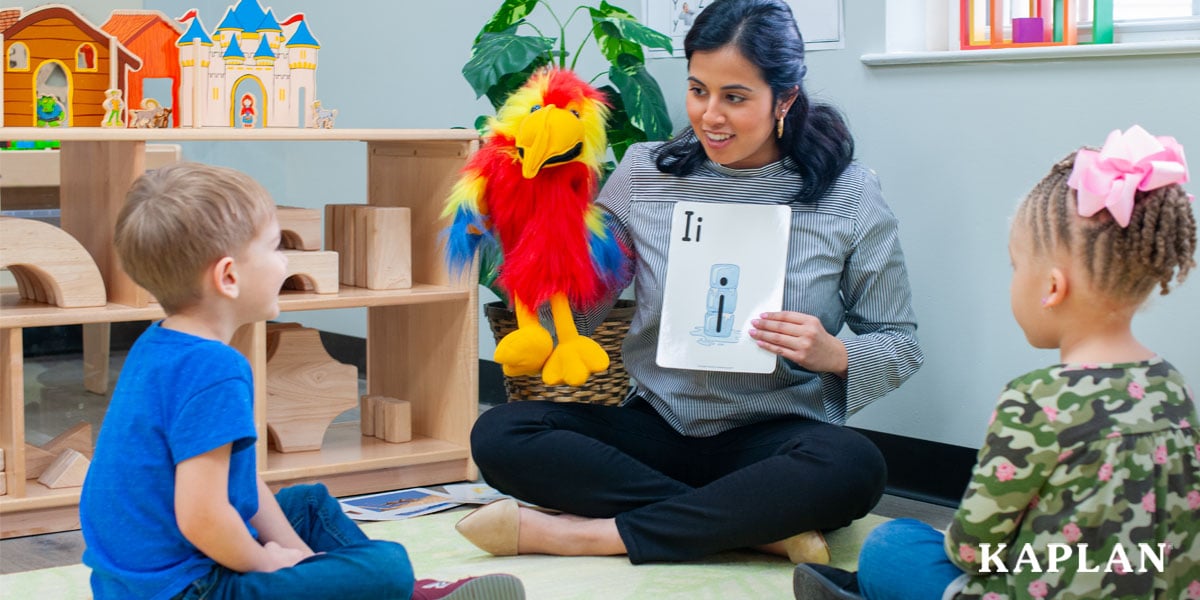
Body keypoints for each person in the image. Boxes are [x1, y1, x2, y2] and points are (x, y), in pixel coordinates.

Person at [458, 0, 923, 565]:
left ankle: (589, 536)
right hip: (656, 428)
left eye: (735, 97)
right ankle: (755, 527)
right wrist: (539, 231)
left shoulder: (849, 195)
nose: (710, 116)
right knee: (501, 434)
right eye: (698, 90)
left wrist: (835, 354)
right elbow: (579, 315)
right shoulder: (644, 175)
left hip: (776, 435)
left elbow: (899, 341)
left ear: (785, 99)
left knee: (855, 467)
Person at [79, 163, 525, 600]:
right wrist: (265, 562)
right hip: (192, 589)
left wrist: (299, 559)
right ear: (229, 277)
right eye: (275, 248)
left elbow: (238, 483)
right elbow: (202, 517)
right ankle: (398, 591)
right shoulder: (214, 369)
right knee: (389, 566)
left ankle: (362, 588)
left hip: (139, 584)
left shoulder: (158, 345)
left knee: (309, 504)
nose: (285, 261)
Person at [794, 125, 1200, 600]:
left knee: (894, 544)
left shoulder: (1035, 400)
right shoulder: (1173, 387)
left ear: (1052, 288)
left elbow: (971, 550)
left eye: (1016, 267)